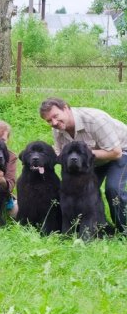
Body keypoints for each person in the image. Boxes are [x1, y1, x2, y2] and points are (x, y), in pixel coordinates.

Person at [40, 97, 127, 233]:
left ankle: (123, 230)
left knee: (113, 188)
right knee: (84, 192)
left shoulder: (95, 120)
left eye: (55, 116)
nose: (54, 122)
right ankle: (87, 228)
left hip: (121, 151)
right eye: (49, 121)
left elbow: (116, 153)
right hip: (90, 159)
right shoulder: (57, 129)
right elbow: (60, 154)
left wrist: (84, 154)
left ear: (66, 108)